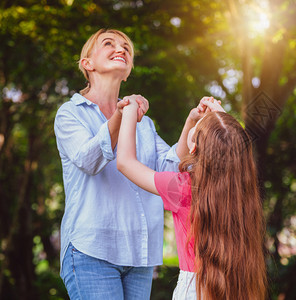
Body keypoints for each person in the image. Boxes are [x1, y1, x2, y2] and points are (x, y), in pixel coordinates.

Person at [54, 28, 203, 299]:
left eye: (126, 47)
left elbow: (168, 171)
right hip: (91, 250)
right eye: (108, 43)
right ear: (87, 64)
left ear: (128, 70)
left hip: (139, 255)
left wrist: (190, 123)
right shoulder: (70, 114)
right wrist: (122, 116)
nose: (120, 48)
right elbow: (89, 160)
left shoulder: (144, 124)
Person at [117, 98, 268, 299]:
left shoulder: (183, 187)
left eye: (197, 128)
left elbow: (125, 163)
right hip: (235, 286)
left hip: (194, 290)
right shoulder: (242, 190)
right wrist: (218, 119)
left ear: (194, 148)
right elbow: (232, 145)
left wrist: (129, 111)